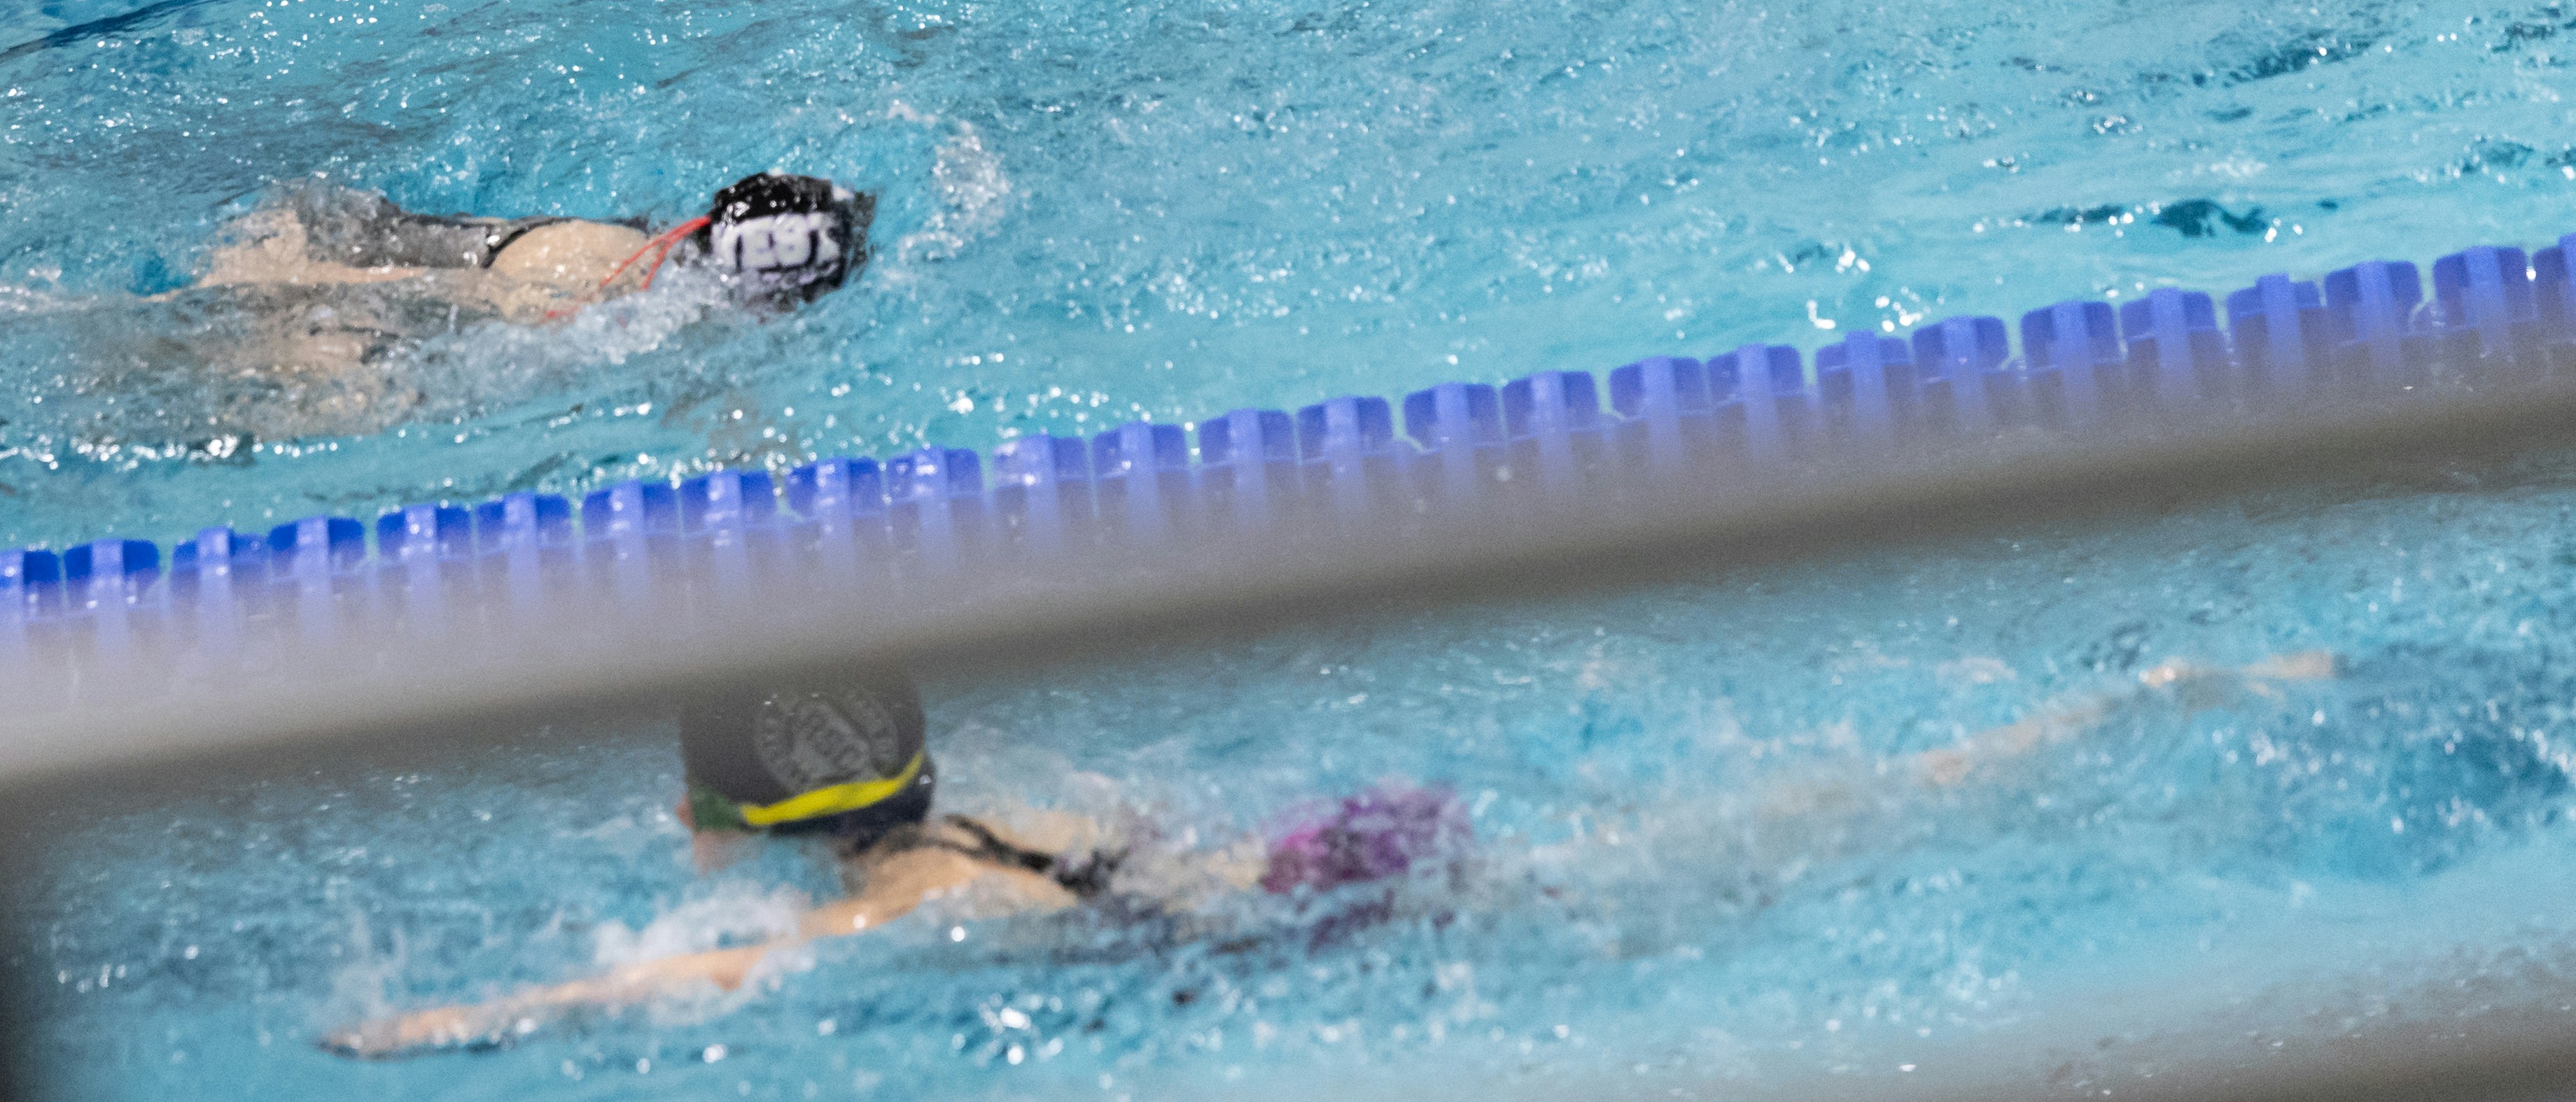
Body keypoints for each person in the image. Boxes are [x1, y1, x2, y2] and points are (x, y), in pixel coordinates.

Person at [328, 649, 2344, 1057]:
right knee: (1757, 828)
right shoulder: (999, 797)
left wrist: (454, 1019)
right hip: (1316, 867)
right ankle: (2079, 714)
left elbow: (707, 983)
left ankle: (2082, 728)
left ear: (716, 822)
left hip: (1352, 925)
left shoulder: (904, 894)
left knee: (1751, 857)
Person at [180, 169, 870, 369]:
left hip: (325, 231)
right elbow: (394, 287)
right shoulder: (587, 275)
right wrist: (236, 296)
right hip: (280, 273)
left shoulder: (642, 247)